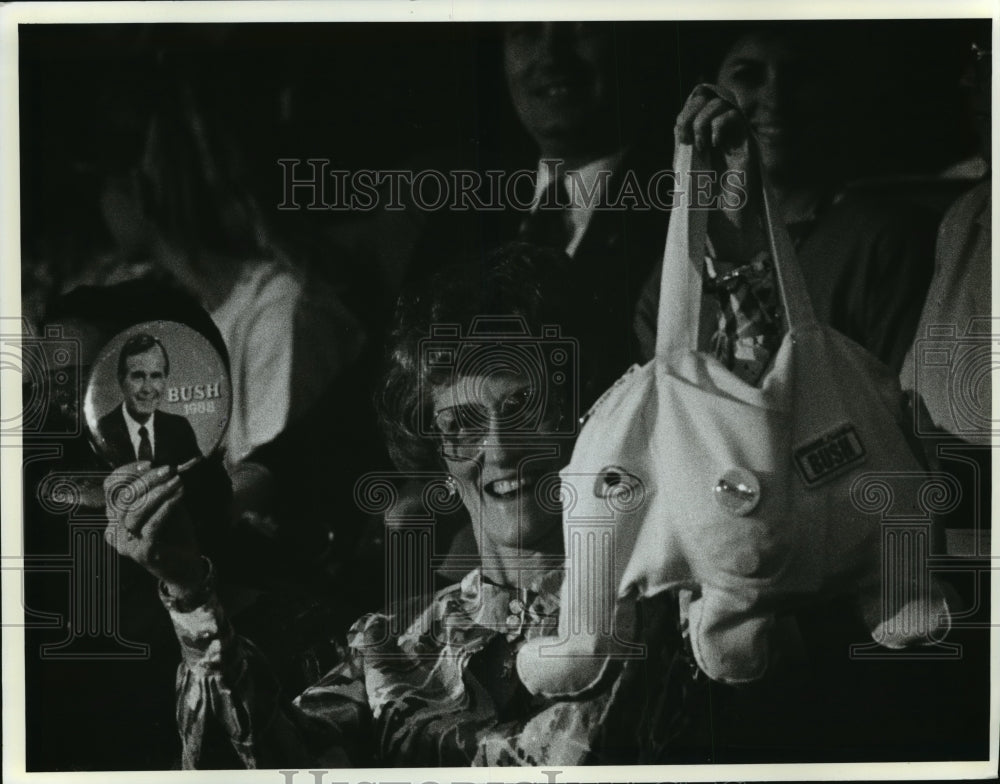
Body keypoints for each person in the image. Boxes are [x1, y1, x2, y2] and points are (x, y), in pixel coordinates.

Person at [102, 243, 633, 768]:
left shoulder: (642, 613)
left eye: (523, 407)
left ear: (579, 416)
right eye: (460, 425)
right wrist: (188, 588)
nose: (499, 448)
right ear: (439, 458)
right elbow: (259, 765)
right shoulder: (398, 645)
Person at [634, 24, 937, 374]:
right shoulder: (682, 262)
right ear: (707, 94)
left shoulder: (885, 241)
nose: (775, 97)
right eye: (748, 75)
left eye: (800, 75)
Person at [96, 333, 203, 467]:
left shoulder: (179, 429)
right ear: (121, 379)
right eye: (138, 376)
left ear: (165, 379)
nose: (147, 388)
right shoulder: (101, 431)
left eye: (156, 376)